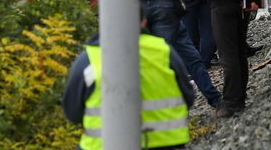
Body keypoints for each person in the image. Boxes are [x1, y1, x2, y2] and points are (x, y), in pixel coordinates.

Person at [61, 9, 196, 150]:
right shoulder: (163, 51)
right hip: (166, 142)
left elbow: (72, 113)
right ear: (143, 21)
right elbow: (188, 97)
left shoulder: (89, 59)